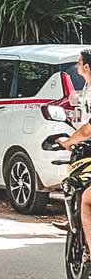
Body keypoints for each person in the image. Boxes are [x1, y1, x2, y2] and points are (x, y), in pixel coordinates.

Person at [54, 49, 91, 238]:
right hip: (85, 143)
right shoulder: (85, 88)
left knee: (86, 199)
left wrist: (68, 142)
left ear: (86, 66)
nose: (76, 66)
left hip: (87, 143)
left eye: (79, 62)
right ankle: (73, 219)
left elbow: (88, 129)